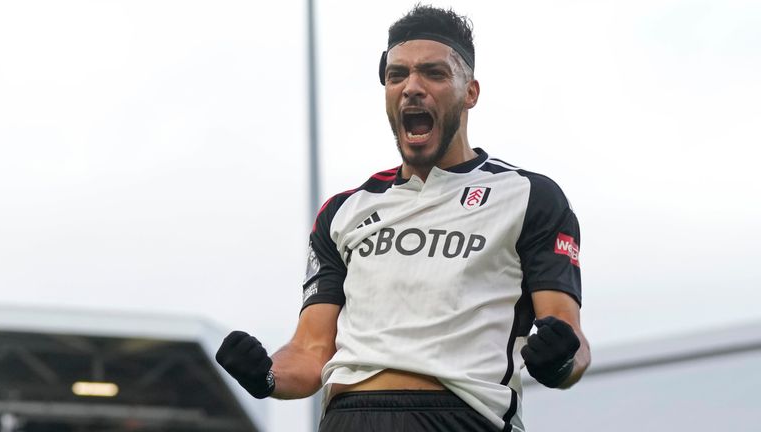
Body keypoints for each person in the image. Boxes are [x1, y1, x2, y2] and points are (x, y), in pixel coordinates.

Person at [216, 4, 590, 431]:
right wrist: (265, 375)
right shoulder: (343, 211)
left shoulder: (528, 196)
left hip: (461, 418)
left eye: (433, 73)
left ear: (471, 91)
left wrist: (559, 361)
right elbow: (311, 350)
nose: (412, 87)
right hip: (348, 419)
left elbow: (573, 344)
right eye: (397, 75)